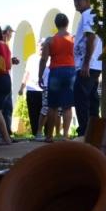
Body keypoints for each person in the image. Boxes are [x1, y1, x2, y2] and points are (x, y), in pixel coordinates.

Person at [70, 0, 102, 136]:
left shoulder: (88, 14)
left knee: (80, 96)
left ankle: (84, 131)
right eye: (74, 0)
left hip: (88, 64)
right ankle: (93, 131)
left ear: (87, 0)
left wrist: (86, 63)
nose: (76, 3)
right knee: (91, 97)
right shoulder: (89, 15)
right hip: (92, 64)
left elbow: (91, 37)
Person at [39, 13, 76, 141]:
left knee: (53, 105)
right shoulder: (73, 39)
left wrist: (40, 76)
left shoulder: (50, 40)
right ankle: (65, 135)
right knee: (67, 106)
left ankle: (49, 136)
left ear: (56, 25)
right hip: (70, 71)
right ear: (67, 24)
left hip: (55, 72)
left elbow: (43, 59)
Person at [0, 24, 20, 141]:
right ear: (5, 32)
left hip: (5, 77)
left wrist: (11, 61)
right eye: (10, 33)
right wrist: (10, 61)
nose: (10, 35)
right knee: (0, 108)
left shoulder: (5, 45)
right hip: (0, 79)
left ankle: (6, 134)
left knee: (7, 108)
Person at [19, 45, 43, 137]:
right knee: (33, 113)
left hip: (44, 90)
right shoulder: (31, 58)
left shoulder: (48, 57)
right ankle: (35, 133)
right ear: (36, 46)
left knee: (44, 113)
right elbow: (27, 73)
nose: (41, 48)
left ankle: (45, 133)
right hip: (32, 89)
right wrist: (22, 88)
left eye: (43, 46)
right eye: (40, 45)